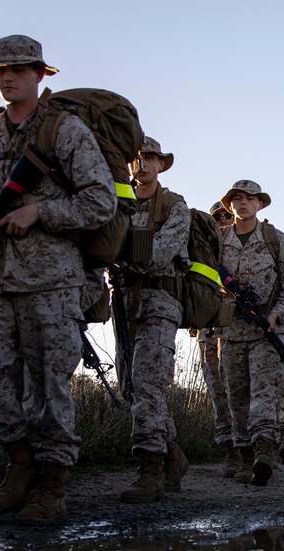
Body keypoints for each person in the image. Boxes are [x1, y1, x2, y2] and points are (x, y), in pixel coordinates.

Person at [0, 35, 116, 524]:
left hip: (52, 278)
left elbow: (101, 200)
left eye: (19, 70)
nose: (8, 77)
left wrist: (40, 211)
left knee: (49, 385)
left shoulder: (64, 131)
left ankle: (53, 485)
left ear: (41, 75)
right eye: (0, 70)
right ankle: (20, 460)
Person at [116, 137, 191, 503]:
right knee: (132, 384)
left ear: (161, 164)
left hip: (161, 298)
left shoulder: (175, 206)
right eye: (136, 158)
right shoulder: (118, 202)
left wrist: (118, 255)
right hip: (125, 300)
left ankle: (150, 470)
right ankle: (173, 454)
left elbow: (159, 256)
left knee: (147, 379)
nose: (141, 164)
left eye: (149, 158)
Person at [218, 179, 284, 487]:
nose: (243, 203)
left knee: (264, 394)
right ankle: (243, 455)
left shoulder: (276, 240)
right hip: (229, 332)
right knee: (236, 396)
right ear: (230, 205)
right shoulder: (218, 242)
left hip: (266, 332)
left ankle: (264, 451)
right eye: (237, 199)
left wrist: (276, 314)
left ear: (260, 204)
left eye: (249, 198)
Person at [200, 202, 238, 476]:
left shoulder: (243, 248)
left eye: (227, 215)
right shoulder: (202, 247)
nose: (223, 219)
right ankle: (230, 451)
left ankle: (248, 446)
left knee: (237, 388)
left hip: (237, 327)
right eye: (217, 216)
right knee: (216, 390)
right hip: (207, 328)